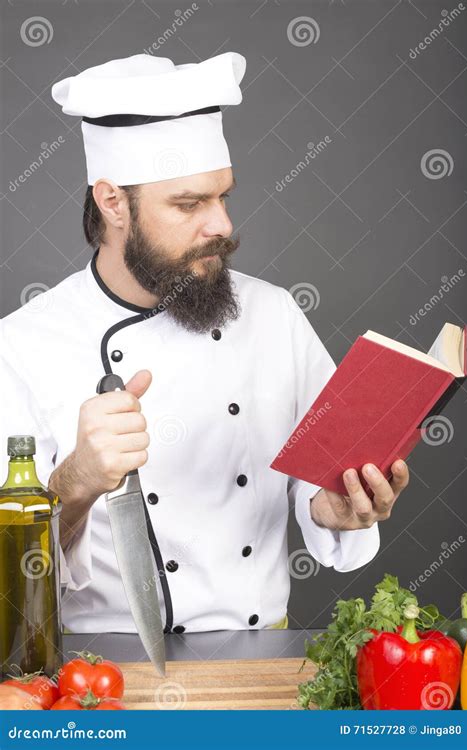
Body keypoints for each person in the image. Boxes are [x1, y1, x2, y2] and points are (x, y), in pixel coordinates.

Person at [0, 52, 409, 634]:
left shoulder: (274, 315)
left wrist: (335, 509)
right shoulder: (22, 346)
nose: (220, 224)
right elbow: (12, 578)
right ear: (113, 202)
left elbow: (319, 482)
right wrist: (79, 480)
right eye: (189, 204)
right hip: (104, 674)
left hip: (259, 657)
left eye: (223, 196)